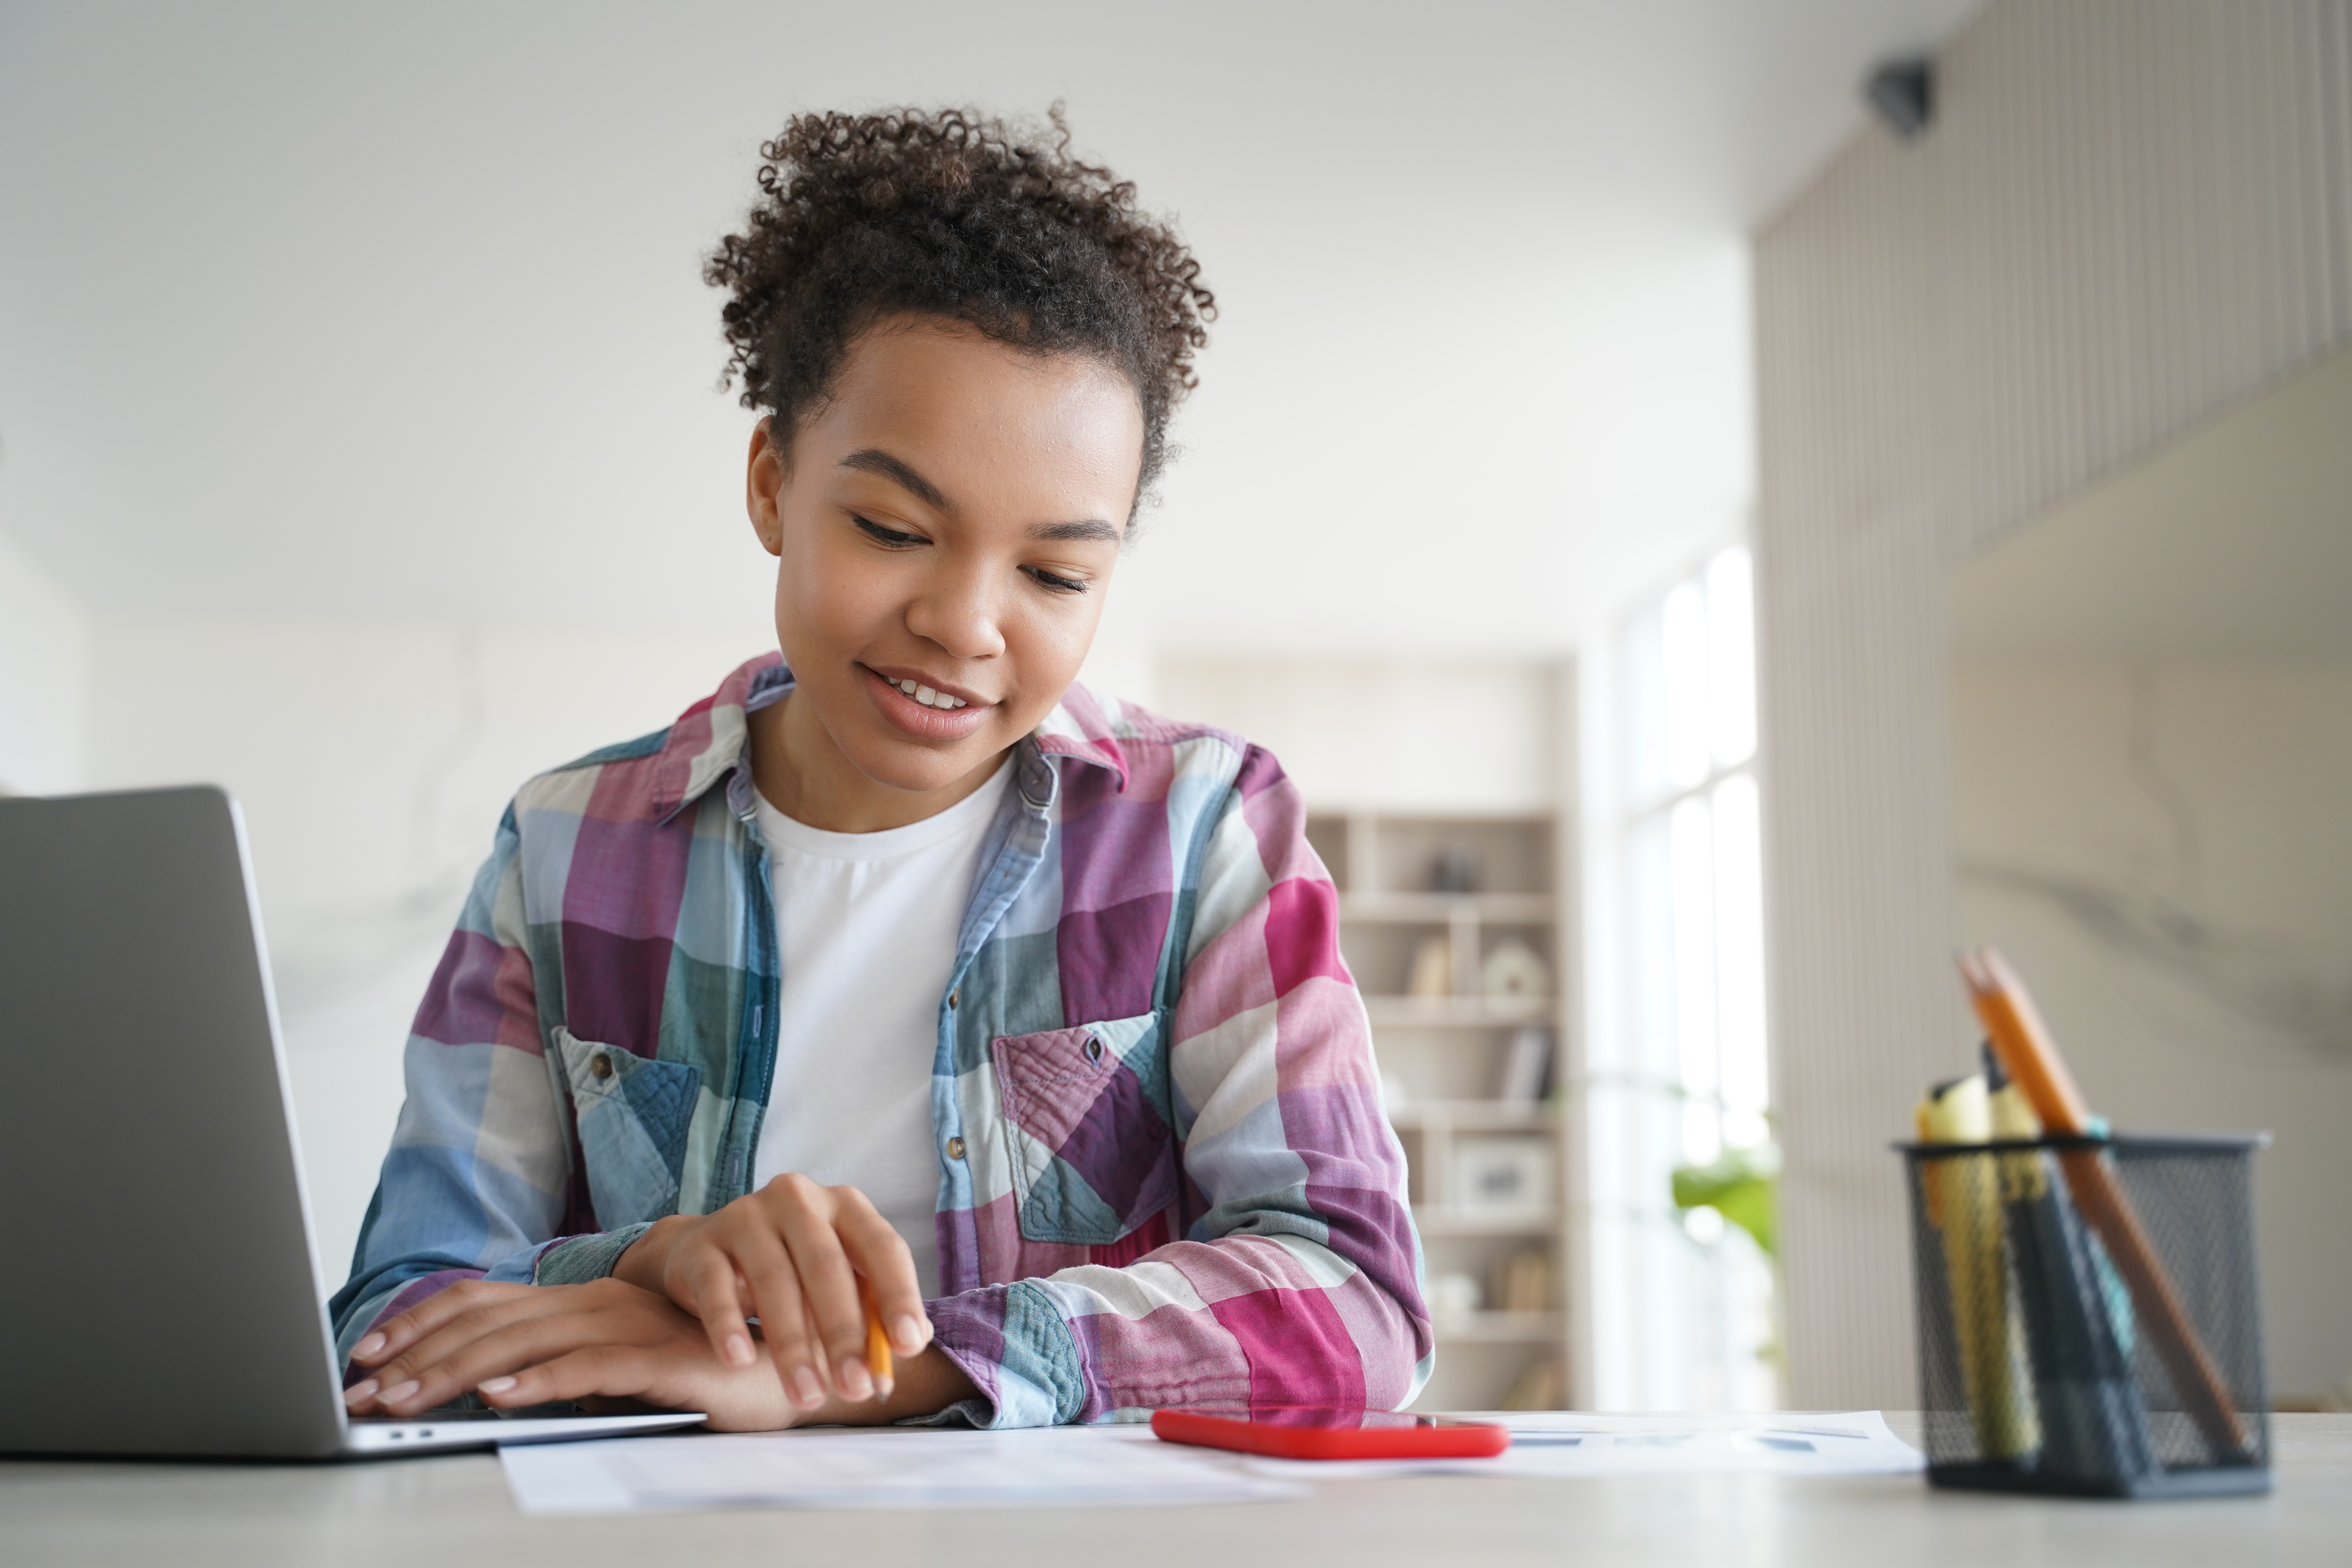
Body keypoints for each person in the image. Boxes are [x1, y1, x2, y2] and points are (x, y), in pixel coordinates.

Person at [332, 107, 1430, 1430]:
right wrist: (652, 1264)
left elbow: (1357, 1300)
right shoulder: (568, 845)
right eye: (895, 527)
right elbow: (396, 1320)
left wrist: (850, 1369)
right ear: (771, 483)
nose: (967, 625)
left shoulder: (1201, 828)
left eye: (1054, 572)